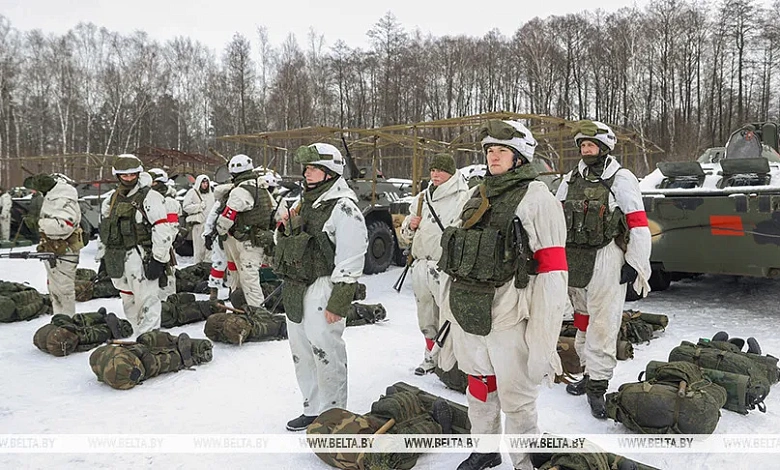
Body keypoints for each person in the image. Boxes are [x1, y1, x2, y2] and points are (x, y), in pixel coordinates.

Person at [439, 120, 568, 470]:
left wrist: (544, 331)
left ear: (520, 156)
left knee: (517, 395)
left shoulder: (538, 198)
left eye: (502, 151)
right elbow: (454, 256)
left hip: (510, 313)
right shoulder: (474, 195)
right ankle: (485, 448)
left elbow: (554, 272)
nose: (494, 156)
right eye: (490, 151)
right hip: (469, 311)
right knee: (479, 384)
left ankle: (525, 457)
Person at [555, 120, 652, 420]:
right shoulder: (571, 178)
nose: (586, 150)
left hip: (606, 258)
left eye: (591, 145)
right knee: (582, 322)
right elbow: (555, 217)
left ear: (605, 147)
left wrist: (635, 263)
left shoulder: (621, 179)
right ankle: (588, 371)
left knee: (603, 325)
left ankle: (598, 385)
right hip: (575, 260)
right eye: (582, 145)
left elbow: (637, 223)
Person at [275, 143, 368, 432]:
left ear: (330, 171)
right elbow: (283, 241)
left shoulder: (344, 207)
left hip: (322, 286)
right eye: (306, 168)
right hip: (296, 287)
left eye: (314, 168)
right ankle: (312, 408)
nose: (307, 173)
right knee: (301, 353)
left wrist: (338, 301)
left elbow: (352, 256)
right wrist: (284, 228)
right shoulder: (303, 202)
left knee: (327, 353)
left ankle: (333, 415)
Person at [399, 153, 469, 376]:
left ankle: (453, 362)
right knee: (426, 316)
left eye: (440, 170)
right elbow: (405, 235)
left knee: (451, 317)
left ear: (451, 172)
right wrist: (410, 226)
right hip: (421, 265)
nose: (435, 174)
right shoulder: (421, 198)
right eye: (432, 170)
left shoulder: (463, 197)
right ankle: (430, 358)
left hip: (446, 267)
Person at [99, 154, 176, 334]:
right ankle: (138, 334)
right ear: (117, 175)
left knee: (147, 300)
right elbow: (105, 231)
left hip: (141, 256)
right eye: (124, 175)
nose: (128, 178)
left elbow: (162, 229)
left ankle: (149, 339)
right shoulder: (111, 199)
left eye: (132, 175)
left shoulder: (150, 197)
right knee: (128, 298)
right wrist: (103, 258)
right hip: (117, 257)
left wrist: (159, 259)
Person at [215, 154, 275, 308]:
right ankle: (244, 305)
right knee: (246, 275)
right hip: (260, 237)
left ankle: (257, 312)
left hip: (248, 241)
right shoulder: (261, 187)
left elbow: (227, 216)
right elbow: (274, 211)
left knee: (248, 278)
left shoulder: (240, 191)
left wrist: (219, 231)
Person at [24, 173, 83, 315]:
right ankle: (59, 319)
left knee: (64, 289)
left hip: (63, 250)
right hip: (53, 249)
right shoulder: (53, 196)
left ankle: (67, 322)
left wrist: (39, 223)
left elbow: (64, 225)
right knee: (54, 289)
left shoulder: (62, 199)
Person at [148, 168, 182, 301]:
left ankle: (168, 305)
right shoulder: (149, 199)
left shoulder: (169, 202)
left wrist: (162, 245)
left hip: (164, 246)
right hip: (151, 246)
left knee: (167, 279)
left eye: (154, 183)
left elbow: (172, 229)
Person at [203, 182, 237, 301]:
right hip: (223, 238)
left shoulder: (238, 202)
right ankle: (215, 292)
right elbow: (211, 218)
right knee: (221, 264)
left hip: (233, 238)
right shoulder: (222, 203)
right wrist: (207, 234)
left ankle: (232, 291)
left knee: (230, 266)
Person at [182, 174, 215, 264]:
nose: (205, 185)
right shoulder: (192, 192)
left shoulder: (211, 194)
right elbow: (186, 206)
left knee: (209, 249)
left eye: (206, 182)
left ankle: (207, 268)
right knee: (199, 249)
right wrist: (199, 207)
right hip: (198, 225)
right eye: (203, 182)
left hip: (209, 226)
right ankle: (198, 266)